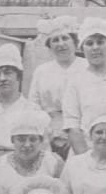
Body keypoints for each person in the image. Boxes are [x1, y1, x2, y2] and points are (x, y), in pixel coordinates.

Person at [62, 17, 106, 155]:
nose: (95, 47)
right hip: (85, 152)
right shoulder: (74, 80)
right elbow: (73, 125)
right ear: (82, 48)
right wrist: (86, 162)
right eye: (90, 43)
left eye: (100, 42)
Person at [28, 16, 84, 160]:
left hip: (81, 130)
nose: (60, 44)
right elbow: (34, 105)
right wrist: (48, 133)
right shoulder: (42, 71)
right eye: (55, 40)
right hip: (49, 131)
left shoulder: (86, 67)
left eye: (65, 38)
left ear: (74, 41)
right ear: (49, 46)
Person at [0, 43, 41, 159]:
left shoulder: (32, 109)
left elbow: (42, 149)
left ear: (18, 76)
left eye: (8, 73)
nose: (2, 78)